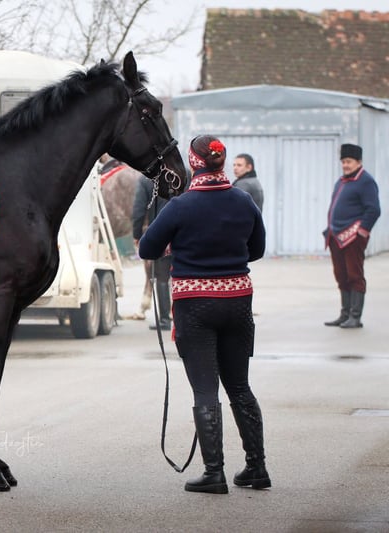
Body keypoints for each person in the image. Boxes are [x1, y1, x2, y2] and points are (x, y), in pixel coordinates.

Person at [139, 135, 269, 495]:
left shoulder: (180, 206)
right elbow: (257, 249)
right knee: (239, 386)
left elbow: (148, 248)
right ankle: (257, 467)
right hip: (238, 302)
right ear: (221, 162)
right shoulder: (243, 200)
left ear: (194, 163)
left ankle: (214, 473)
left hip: (195, 306)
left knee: (205, 389)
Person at [323, 143, 381, 329]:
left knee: (355, 275)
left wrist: (361, 232)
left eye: (348, 161)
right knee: (341, 275)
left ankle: (355, 317)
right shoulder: (341, 181)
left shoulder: (366, 181)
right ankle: (345, 314)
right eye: (343, 162)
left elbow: (373, 209)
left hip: (352, 238)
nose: (345, 165)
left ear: (358, 162)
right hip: (335, 236)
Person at [131, 174, 172, 330]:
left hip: (161, 233)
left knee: (161, 277)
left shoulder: (146, 179)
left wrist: (137, 234)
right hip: (184, 232)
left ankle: (165, 319)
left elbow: (139, 210)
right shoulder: (185, 174)